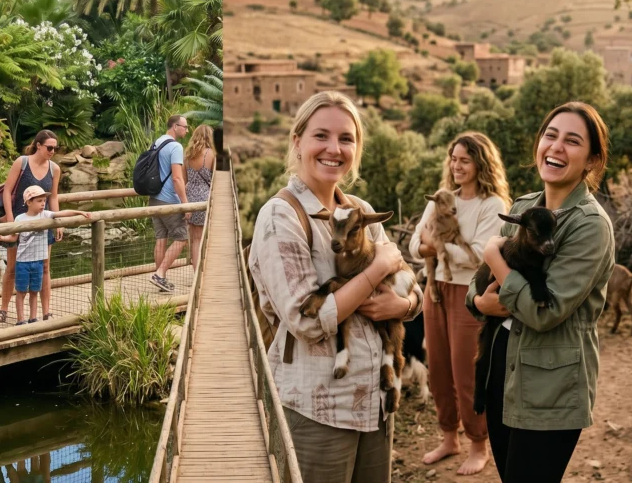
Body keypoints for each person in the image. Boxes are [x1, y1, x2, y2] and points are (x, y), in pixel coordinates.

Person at [248, 91, 423, 483]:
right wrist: (375, 268)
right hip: (317, 408)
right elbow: (306, 322)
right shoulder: (281, 217)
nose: (334, 149)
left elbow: (412, 289)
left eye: (346, 139)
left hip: (375, 404)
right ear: (298, 142)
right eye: (321, 136)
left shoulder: (359, 209)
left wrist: (402, 305)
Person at [466, 102, 614, 483]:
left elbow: (543, 312)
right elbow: (479, 289)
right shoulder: (523, 206)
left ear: (592, 160)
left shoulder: (590, 226)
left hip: (552, 384)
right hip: (505, 367)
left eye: (572, 141)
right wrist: (479, 300)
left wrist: (491, 253)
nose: (556, 147)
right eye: (551, 135)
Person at [408, 133, 511, 475]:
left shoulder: (491, 204)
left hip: (469, 294)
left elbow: (482, 255)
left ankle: (478, 444)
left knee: (467, 371)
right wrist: (433, 246)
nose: (457, 166)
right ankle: (449, 437)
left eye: (464, 160)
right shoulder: (441, 198)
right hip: (434, 288)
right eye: (453, 159)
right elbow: (413, 243)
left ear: (481, 163)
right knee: (438, 369)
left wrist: (434, 245)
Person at [0, 130, 63, 324]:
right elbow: (7, 191)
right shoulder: (22, 163)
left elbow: (54, 196)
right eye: (49, 147)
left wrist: (58, 222)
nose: (52, 151)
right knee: (13, 266)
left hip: (43, 224)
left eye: (55, 148)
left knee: (45, 266)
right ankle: (4, 308)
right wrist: (10, 219)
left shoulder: (54, 169)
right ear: (38, 145)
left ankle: (46, 311)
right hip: (19, 220)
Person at [0, 186, 91, 324]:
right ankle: (20, 319)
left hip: (38, 261)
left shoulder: (46, 215)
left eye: (44, 200)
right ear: (29, 202)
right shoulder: (20, 218)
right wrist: (1, 238)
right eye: (39, 201)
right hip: (23, 262)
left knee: (34, 291)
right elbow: (13, 238)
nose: (43, 203)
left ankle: (33, 318)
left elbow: (62, 213)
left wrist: (79, 212)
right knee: (21, 291)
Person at [148, 115, 190, 293]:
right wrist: (185, 204)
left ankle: (161, 278)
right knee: (183, 238)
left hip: (154, 198)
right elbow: (177, 178)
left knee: (161, 239)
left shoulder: (157, 143)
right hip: (169, 199)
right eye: (185, 127)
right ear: (175, 126)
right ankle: (160, 273)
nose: (187, 130)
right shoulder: (175, 146)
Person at [184, 124, 215, 270]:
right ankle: (208, 270)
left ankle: (197, 273)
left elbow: (185, 180)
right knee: (208, 237)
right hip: (205, 198)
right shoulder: (212, 154)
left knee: (195, 239)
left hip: (190, 198)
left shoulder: (188, 155)